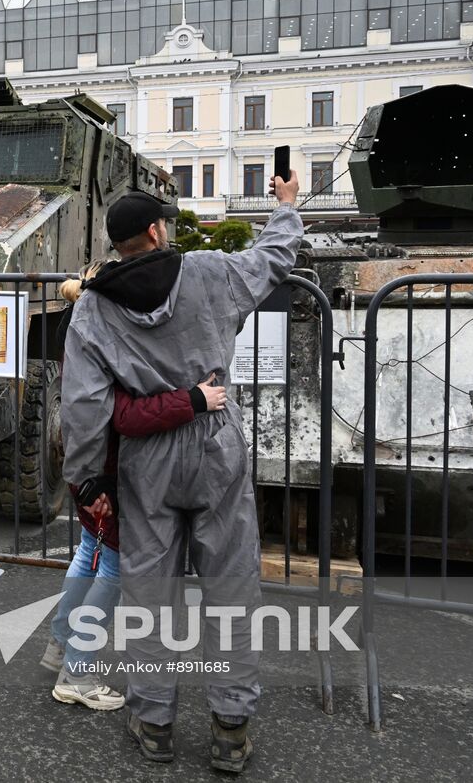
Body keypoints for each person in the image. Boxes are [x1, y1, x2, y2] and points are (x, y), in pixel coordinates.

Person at [61, 175, 303, 773]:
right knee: (230, 588)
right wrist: (286, 206)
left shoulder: (93, 307)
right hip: (215, 442)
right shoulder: (209, 272)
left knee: (150, 592)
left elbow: (84, 405)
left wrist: (87, 478)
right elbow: (272, 260)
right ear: (156, 230)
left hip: (148, 461)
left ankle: (155, 724)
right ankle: (229, 727)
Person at [43, 266, 229, 712]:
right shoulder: (108, 333)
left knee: (90, 551)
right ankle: (78, 672)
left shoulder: (81, 321)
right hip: (109, 471)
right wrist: (193, 401)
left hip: (85, 467)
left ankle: (61, 644)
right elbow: (126, 416)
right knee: (114, 567)